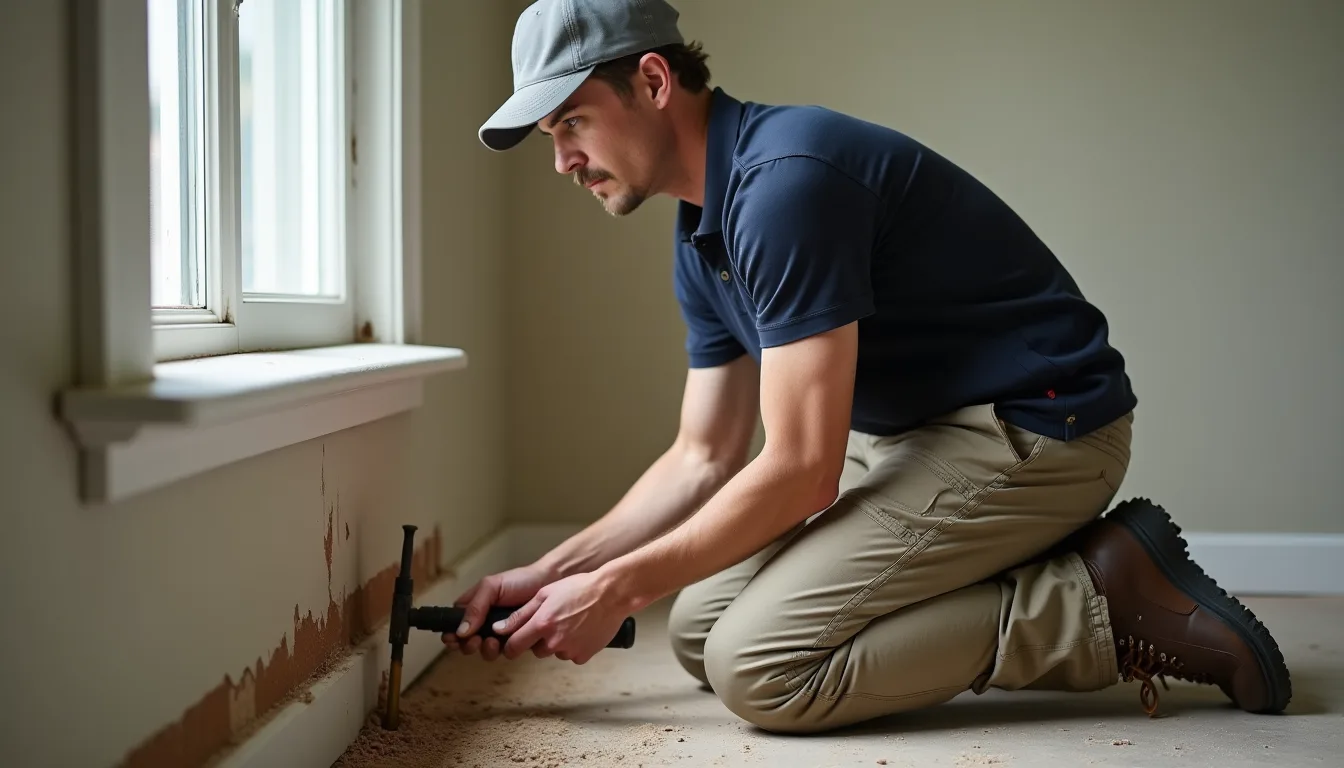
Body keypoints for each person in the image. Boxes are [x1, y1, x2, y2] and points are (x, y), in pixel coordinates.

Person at [443, 0, 1292, 733]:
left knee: (761, 669)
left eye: (573, 123)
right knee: (700, 625)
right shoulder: (704, 233)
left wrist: (618, 591)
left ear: (655, 83)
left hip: (1038, 430)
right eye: (552, 137)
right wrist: (557, 575)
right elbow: (702, 454)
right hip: (914, 434)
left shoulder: (784, 186)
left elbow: (803, 470)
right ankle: (994, 561)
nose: (562, 161)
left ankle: (1098, 601)